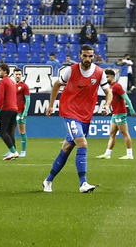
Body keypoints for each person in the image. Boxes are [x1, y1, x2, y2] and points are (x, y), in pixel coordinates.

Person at [44, 43, 107, 193]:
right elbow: (56, 85)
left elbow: (108, 91)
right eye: (85, 56)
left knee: (67, 148)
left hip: (85, 115)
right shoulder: (70, 71)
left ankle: (48, 180)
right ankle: (83, 183)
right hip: (70, 112)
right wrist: (51, 105)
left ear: (93, 56)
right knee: (82, 143)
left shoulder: (99, 72)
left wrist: (107, 105)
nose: (87, 58)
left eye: (90, 56)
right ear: (80, 56)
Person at [100, 68, 135, 160]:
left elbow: (126, 98)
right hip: (115, 114)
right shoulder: (110, 87)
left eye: (107, 77)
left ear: (112, 77)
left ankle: (129, 154)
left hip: (120, 113)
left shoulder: (117, 86)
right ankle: (107, 154)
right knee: (112, 134)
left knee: (125, 133)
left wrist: (131, 110)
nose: (106, 78)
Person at [0, 63, 21, 160]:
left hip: (6, 108)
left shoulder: (3, 82)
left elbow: (1, 97)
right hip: (14, 109)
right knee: (10, 132)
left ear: (4, 71)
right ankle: (13, 151)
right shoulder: (12, 82)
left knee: (2, 131)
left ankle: (13, 151)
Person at [14, 68, 31, 157]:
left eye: (19, 74)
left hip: (20, 112)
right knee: (10, 131)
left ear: (22, 75)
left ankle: (23, 150)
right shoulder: (11, 85)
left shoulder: (24, 86)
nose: (18, 76)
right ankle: (12, 150)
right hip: (12, 112)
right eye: (16, 74)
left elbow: (28, 100)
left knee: (22, 131)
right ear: (13, 75)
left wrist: (25, 112)